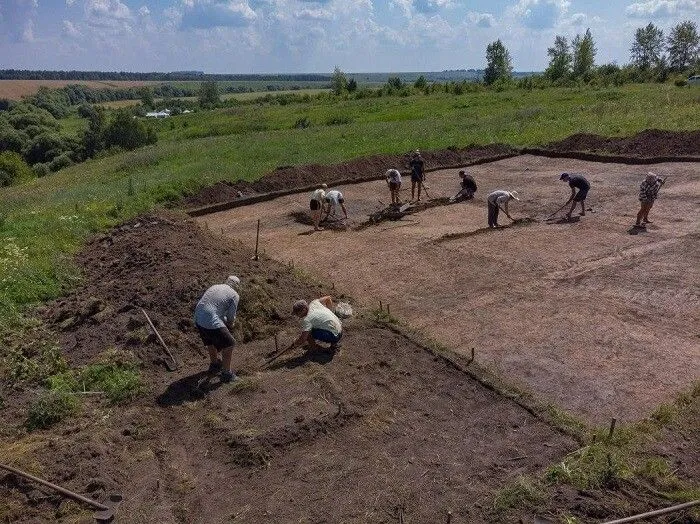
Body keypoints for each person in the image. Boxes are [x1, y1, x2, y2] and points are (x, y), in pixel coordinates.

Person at [194, 276, 241, 383]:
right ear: (237, 286)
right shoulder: (234, 295)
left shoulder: (215, 286)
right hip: (210, 318)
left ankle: (214, 364)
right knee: (230, 344)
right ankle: (226, 374)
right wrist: (231, 325)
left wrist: (222, 320)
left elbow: (214, 306)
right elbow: (231, 318)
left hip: (198, 316)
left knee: (209, 341)